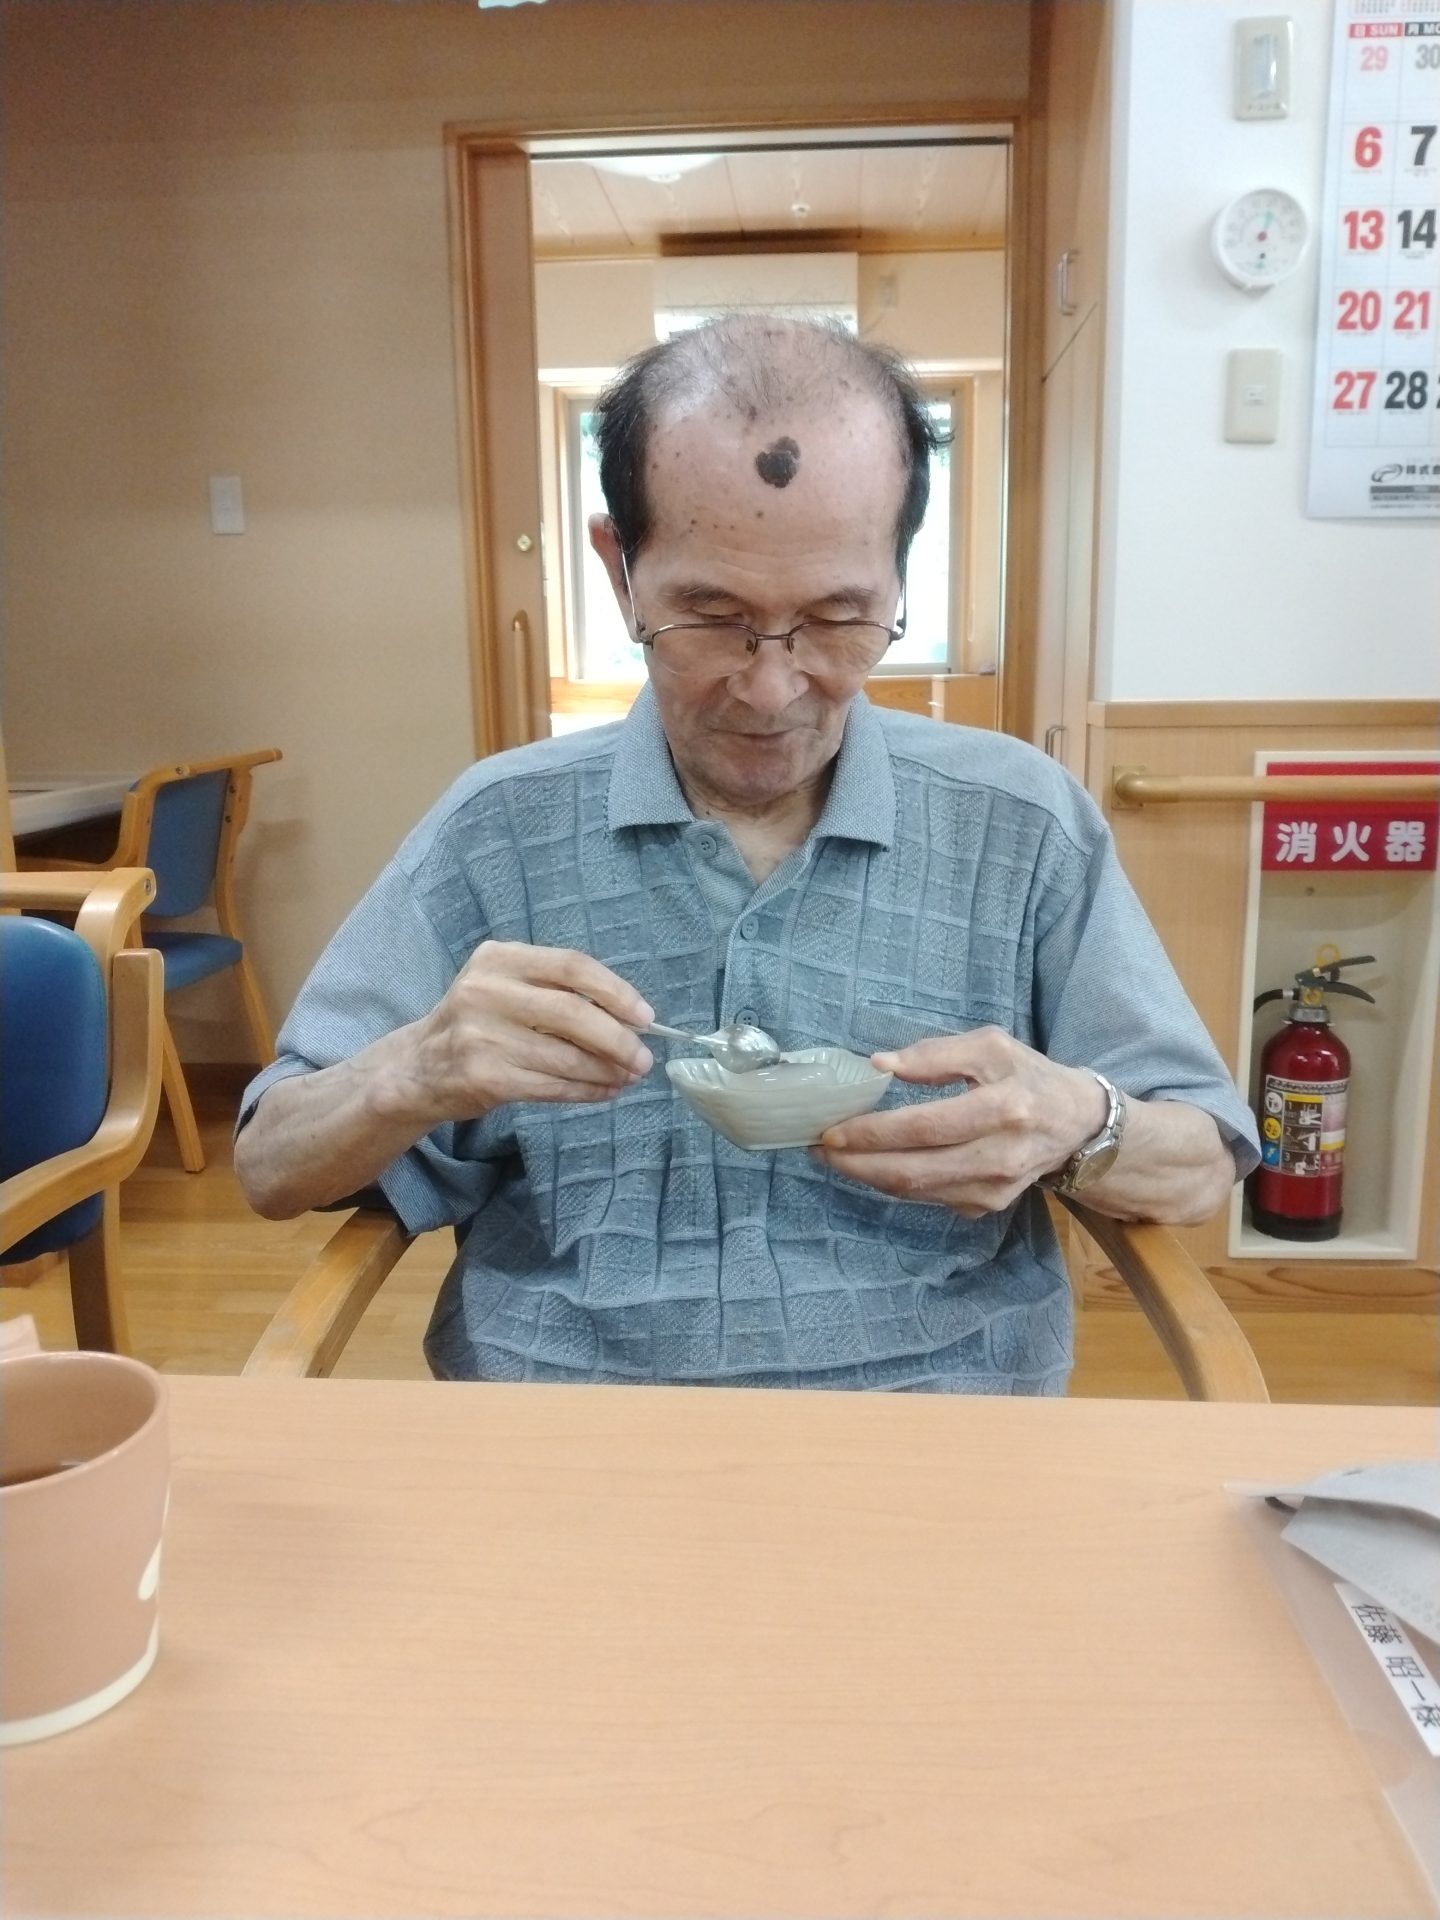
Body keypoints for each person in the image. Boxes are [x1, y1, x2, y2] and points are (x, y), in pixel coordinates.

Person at [236, 316, 1258, 1392]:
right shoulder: (497, 828)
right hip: (562, 1430)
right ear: (620, 571)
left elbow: (1198, 1163)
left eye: (838, 618)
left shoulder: (1020, 822)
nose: (772, 689)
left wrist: (1081, 1125)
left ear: (899, 576)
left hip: (943, 1430)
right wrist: (414, 1071)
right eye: (711, 616)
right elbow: (270, 1163)